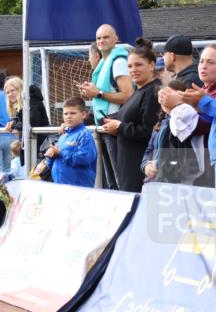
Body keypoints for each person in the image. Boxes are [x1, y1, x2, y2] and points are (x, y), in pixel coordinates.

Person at [98, 38, 161, 193]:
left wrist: (119, 126)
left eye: (139, 65)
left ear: (152, 65)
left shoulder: (153, 91)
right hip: (128, 165)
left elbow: (148, 132)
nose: (133, 69)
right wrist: (114, 124)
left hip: (141, 168)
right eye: (130, 66)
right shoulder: (139, 91)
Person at [79, 24, 134, 189]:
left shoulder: (118, 61)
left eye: (106, 37)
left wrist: (98, 93)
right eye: (98, 38)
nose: (101, 41)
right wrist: (92, 92)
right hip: (104, 124)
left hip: (114, 124)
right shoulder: (104, 62)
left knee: (119, 180)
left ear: (116, 39)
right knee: (111, 181)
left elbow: (128, 95)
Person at [37, 97, 97, 188]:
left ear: (83, 114)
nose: (68, 116)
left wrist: (61, 153)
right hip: (61, 187)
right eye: (65, 114)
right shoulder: (63, 137)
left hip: (79, 188)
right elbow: (53, 161)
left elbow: (85, 158)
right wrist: (49, 157)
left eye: (73, 113)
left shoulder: (84, 135)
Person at [175, 44, 216, 174]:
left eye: (210, 62)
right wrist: (195, 106)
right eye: (202, 61)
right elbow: (210, 120)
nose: (203, 66)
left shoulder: (206, 96)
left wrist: (203, 100)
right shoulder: (205, 92)